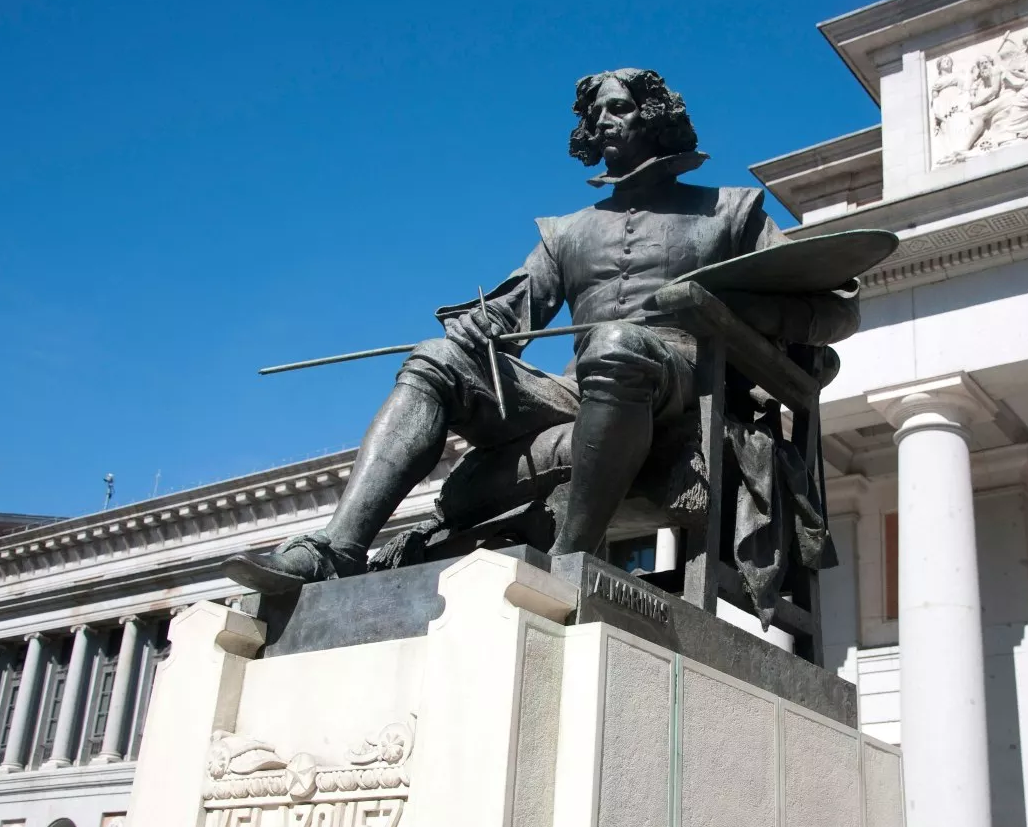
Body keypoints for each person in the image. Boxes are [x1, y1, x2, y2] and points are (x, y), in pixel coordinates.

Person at [225, 69, 859, 593]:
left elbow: (838, 309)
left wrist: (754, 317)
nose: (603, 122)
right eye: (596, 115)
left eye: (619, 109)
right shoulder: (569, 232)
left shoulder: (731, 211)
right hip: (580, 388)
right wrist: (478, 329)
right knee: (436, 356)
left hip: (682, 387)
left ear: (655, 117)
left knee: (616, 346)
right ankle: (338, 550)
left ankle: (567, 564)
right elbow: (511, 316)